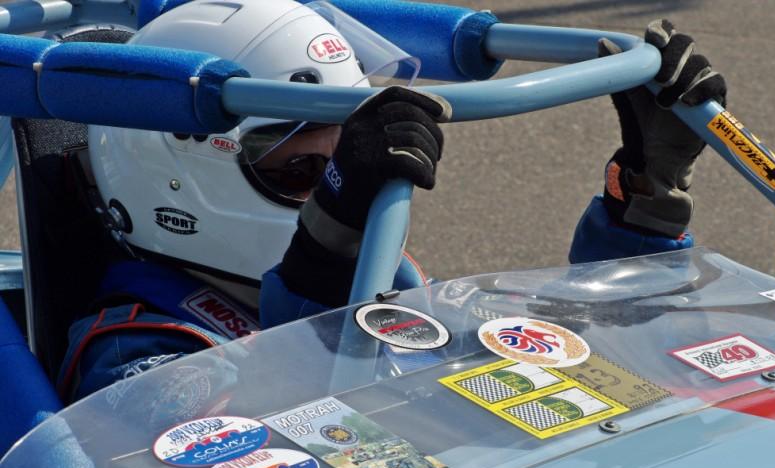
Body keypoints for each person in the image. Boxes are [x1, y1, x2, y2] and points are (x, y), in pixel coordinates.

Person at [58, 1, 725, 402]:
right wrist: (322, 259)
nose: (340, 190)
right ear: (173, 177)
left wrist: (643, 201)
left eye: (348, 156)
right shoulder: (136, 356)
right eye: (307, 168)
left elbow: (560, 369)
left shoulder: (386, 278)